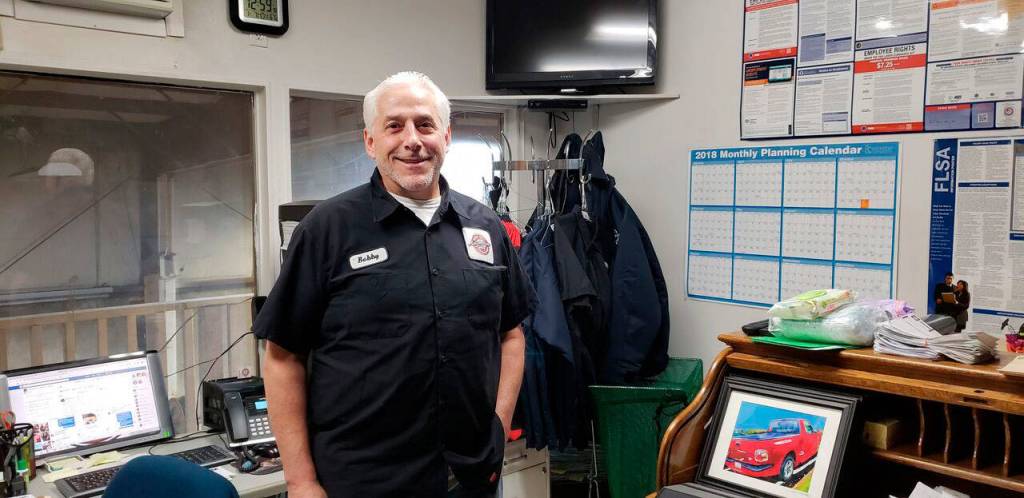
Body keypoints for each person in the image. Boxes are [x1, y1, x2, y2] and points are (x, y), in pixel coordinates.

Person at [253, 71, 536, 498]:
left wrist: (498, 425)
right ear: (371, 142)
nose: (412, 140)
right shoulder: (326, 230)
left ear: (446, 136)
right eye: (394, 126)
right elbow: (281, 357)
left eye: (425, 125)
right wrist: (301, 482)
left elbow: (511, 334)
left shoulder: (485, 227)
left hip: (470, 477)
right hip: (364, 482)